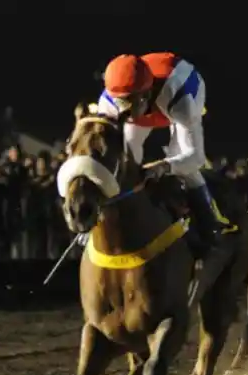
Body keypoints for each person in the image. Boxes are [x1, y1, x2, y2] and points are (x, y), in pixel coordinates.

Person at [98, 52, 234, 307]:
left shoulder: (180, 100)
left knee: (180, 161)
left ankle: (211, 228)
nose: (122, 111)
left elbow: (194, 157)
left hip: (185, 83)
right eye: (118, 102)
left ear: (145, 95)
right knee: (129, 150)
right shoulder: (111, 101)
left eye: (128, 103)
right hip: (154, 90)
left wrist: (163, 166)